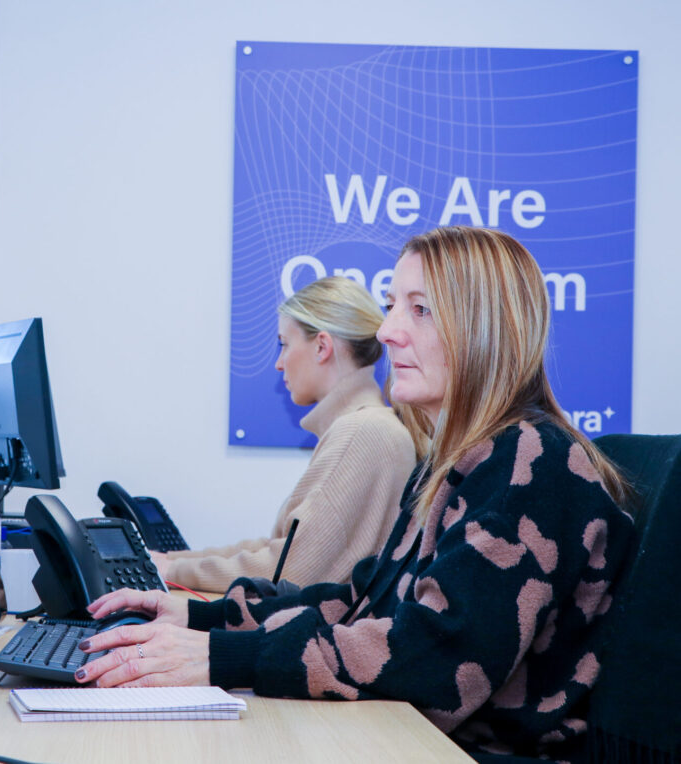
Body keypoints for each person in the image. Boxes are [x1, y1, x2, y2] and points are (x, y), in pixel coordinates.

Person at [75, 227, 634, 762]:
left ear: (484, 329)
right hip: (411, 740)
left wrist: (224, 656)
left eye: (419, 309)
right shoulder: (460, 462)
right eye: (393, 305)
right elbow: (362, 601)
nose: (388, 332)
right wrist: (201, 620)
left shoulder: (532, 463)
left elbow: (433, 659)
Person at [154, 276, 415, 592]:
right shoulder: (362, 427)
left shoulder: (362, 432)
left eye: (284, 344)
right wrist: (171, 561)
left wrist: (172, 569)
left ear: (322, 346)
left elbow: (286, 571)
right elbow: (280, 548)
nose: (279, 363)